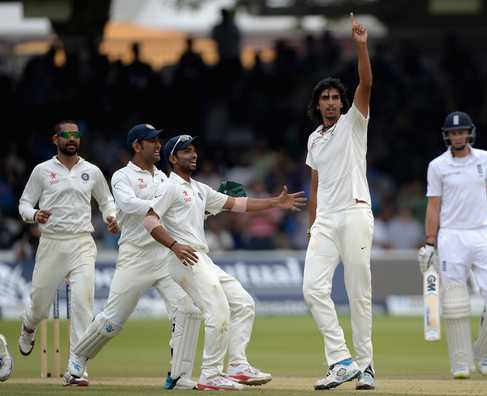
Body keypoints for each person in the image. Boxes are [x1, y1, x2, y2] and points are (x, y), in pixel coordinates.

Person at [143, 134, 306, 391]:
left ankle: (238, 366)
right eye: (186, 151)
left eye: (194, 150)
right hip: (183, 258)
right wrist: (174, 246)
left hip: (201, 258)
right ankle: (211, 374)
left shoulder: (198, 188)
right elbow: (150, 220)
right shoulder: (169, 186)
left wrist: (275, 202)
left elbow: (238, 204)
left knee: (243, 304)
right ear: (173, 158)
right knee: (217, 310)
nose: (193, 154)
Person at [64, 124, 200, 389]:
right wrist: (162, 205)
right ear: (137, 146)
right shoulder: (121, 176)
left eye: (160, 141)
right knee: (113, 321)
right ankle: (77, 360)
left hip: (164, 255)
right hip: (135, 257)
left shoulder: (164, 178)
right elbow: (126, 204)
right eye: (152, 141)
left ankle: (179, 374)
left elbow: (181, 207)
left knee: (188, 310)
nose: (159, 145)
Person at [303, 13, 375, 391]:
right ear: (317, 105)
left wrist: (360, 47)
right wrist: (313, 223)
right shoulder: (314, 139)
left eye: (335, 98)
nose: (331, 103)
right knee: (312, 289)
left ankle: (367, 367)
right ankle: (342, 360)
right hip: (326, 222)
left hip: (356, 213)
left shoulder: (353, 122)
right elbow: (315, 182)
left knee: (359, 295)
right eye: (325, 99)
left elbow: (366, 81)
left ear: (343, 103)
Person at [17, 120, 119, 386]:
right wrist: (34, 215)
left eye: (76, 135)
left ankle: (77, 367)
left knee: (82, 304)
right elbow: (25, 203)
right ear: (56, 139)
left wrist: (110, 216)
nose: (72, 139)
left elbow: (106, 200)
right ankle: (29, 326)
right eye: (66, 135)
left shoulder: (92, 171)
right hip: (51, 243)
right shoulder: (42, 171)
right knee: (40, 304)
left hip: (82, 243)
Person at [417, 111, 487, 379]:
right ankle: (460, 362)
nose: (457, 136)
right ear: (447, 135)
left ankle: (484, 353)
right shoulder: (437, 165)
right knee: (455, 301)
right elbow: (433, 205)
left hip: (484, 233)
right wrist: (429, 242)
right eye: (453, 132)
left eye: (461, 132)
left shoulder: (485, 158)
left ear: (469, 133)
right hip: (452, 236)